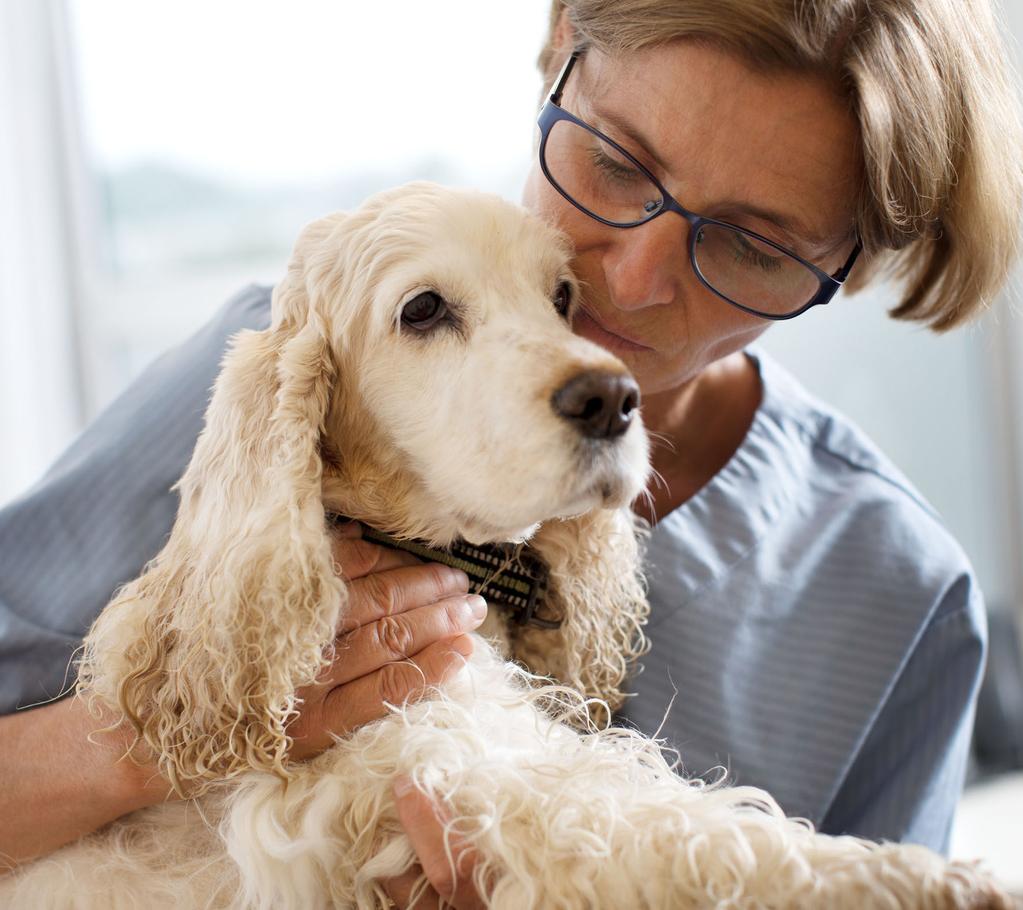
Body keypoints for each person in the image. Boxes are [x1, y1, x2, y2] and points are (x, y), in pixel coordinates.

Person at [1, 0, 1021, 903]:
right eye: (617, 163)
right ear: (558, 51)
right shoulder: (297, 371)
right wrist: (154, 745)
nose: (633, 276)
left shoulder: (901, 597)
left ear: (847, 264)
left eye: (754, 244)